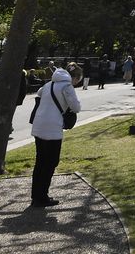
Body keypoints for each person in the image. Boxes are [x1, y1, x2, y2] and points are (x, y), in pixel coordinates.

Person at [30, 66, 81, 207]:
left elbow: (39, 93)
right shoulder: (67, 86)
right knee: (51, 162)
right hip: (53, 127)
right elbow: (76, 107)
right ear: (74, 77)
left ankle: (36, 196)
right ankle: (42, 196)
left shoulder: (49, 84)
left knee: (40, 162)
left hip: (39, 125)